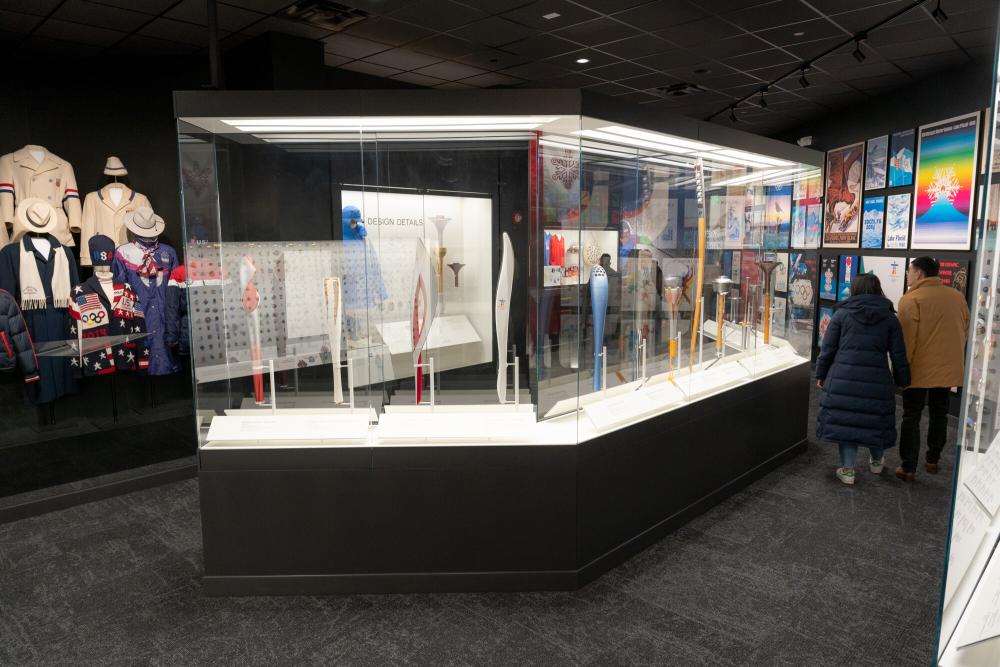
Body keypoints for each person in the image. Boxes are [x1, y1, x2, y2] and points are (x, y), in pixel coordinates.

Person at [816, 273, 910, 485]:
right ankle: (877, 462)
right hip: (877, 380)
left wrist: (821, 374)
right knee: (875, 421)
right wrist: (903, 380)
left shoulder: (841, 315)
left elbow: (828, 349)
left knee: (848, 424)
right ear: (878, 290)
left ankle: (848, 471)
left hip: (843, 378)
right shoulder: (890, 318)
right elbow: (898, 354)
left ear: (854, 289)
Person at [895, 256, 970, 481]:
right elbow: (964, 331)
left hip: (918, 369)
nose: (908, 275)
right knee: (940, 413)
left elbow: (908, 341)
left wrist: (902, 369)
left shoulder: (911, 299)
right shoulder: (957, 297)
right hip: (946, 369)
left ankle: (908, 467)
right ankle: (933, 460)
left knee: (911, 415)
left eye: (910, 271)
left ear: (919, 273)